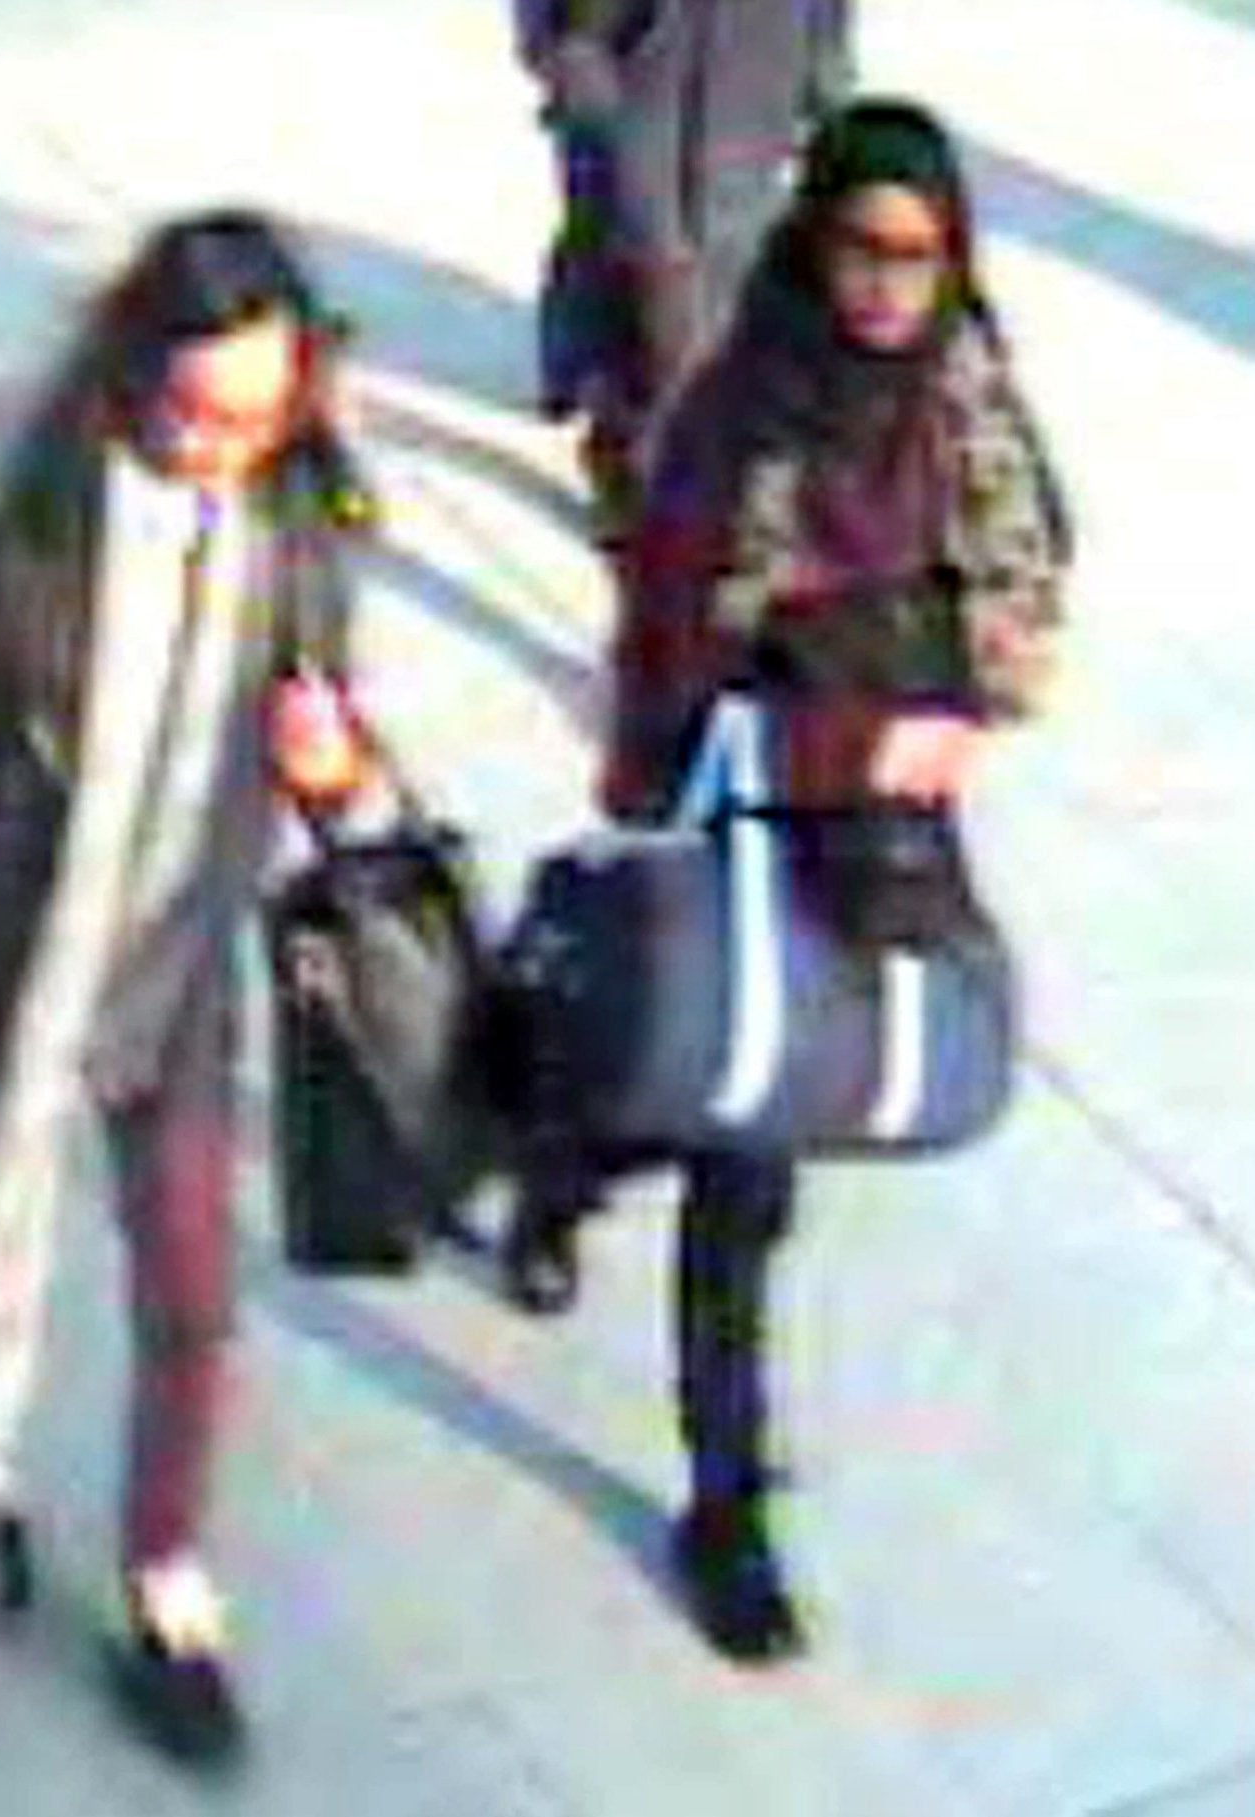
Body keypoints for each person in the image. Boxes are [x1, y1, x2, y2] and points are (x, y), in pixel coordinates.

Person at [0, 209, 379, 1769]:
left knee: (191, 1300)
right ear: (130, 374)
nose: (216, 449)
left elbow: (332, 749)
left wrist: (334, 770)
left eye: (253, 416)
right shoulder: (27, 514)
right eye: (190, 414)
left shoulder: (303, 512)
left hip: (173, 982)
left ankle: (164, 1577)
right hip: (9, 963)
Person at [500, 99, 1070, 1663]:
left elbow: (1025, 602)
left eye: (920, 254)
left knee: (764, 1118)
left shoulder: (967, 402)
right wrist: (789, 732)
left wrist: (961, 708)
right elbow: (674, 633)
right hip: (743, 803)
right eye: (860, 247)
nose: (887, 284)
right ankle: (724, 1497)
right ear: (811, 241)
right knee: (730, 1131)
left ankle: (563, 1164)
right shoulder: (736, 408)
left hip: (883, 829)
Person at [519, 0, 854, 540]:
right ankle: (633, 445)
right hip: (627, 57)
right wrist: (561, 49)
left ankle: (687, 443)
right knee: (642, 250)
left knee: (727, 260)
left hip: (755, 65)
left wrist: (825, 61)